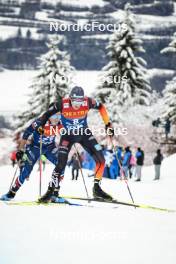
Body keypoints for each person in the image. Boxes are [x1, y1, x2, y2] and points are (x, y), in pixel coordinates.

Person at [35, 86, 114, 202]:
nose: (77, 104)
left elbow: (101, 107)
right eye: (75, 101)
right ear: (70, 99)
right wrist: (41, 126)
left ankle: (97, 189)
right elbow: (47, 114)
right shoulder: (62, 104)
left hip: (84, 134)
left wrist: (108, 124)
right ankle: (50, 191)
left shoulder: (88, 102)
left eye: (80, 101)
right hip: (67, 136)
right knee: (61, 163)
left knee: (101, 160)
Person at [0, 113, 62, 201]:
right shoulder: (40, 122)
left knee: (61, 164)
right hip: (36, 147)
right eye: (54, 116)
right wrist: (20, 150)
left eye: (59, 116)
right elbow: (26, 134)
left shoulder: (61, 122)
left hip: (50, 147)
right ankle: (12, 193)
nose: (57, 119)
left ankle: (54, 193)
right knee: (26, 171)